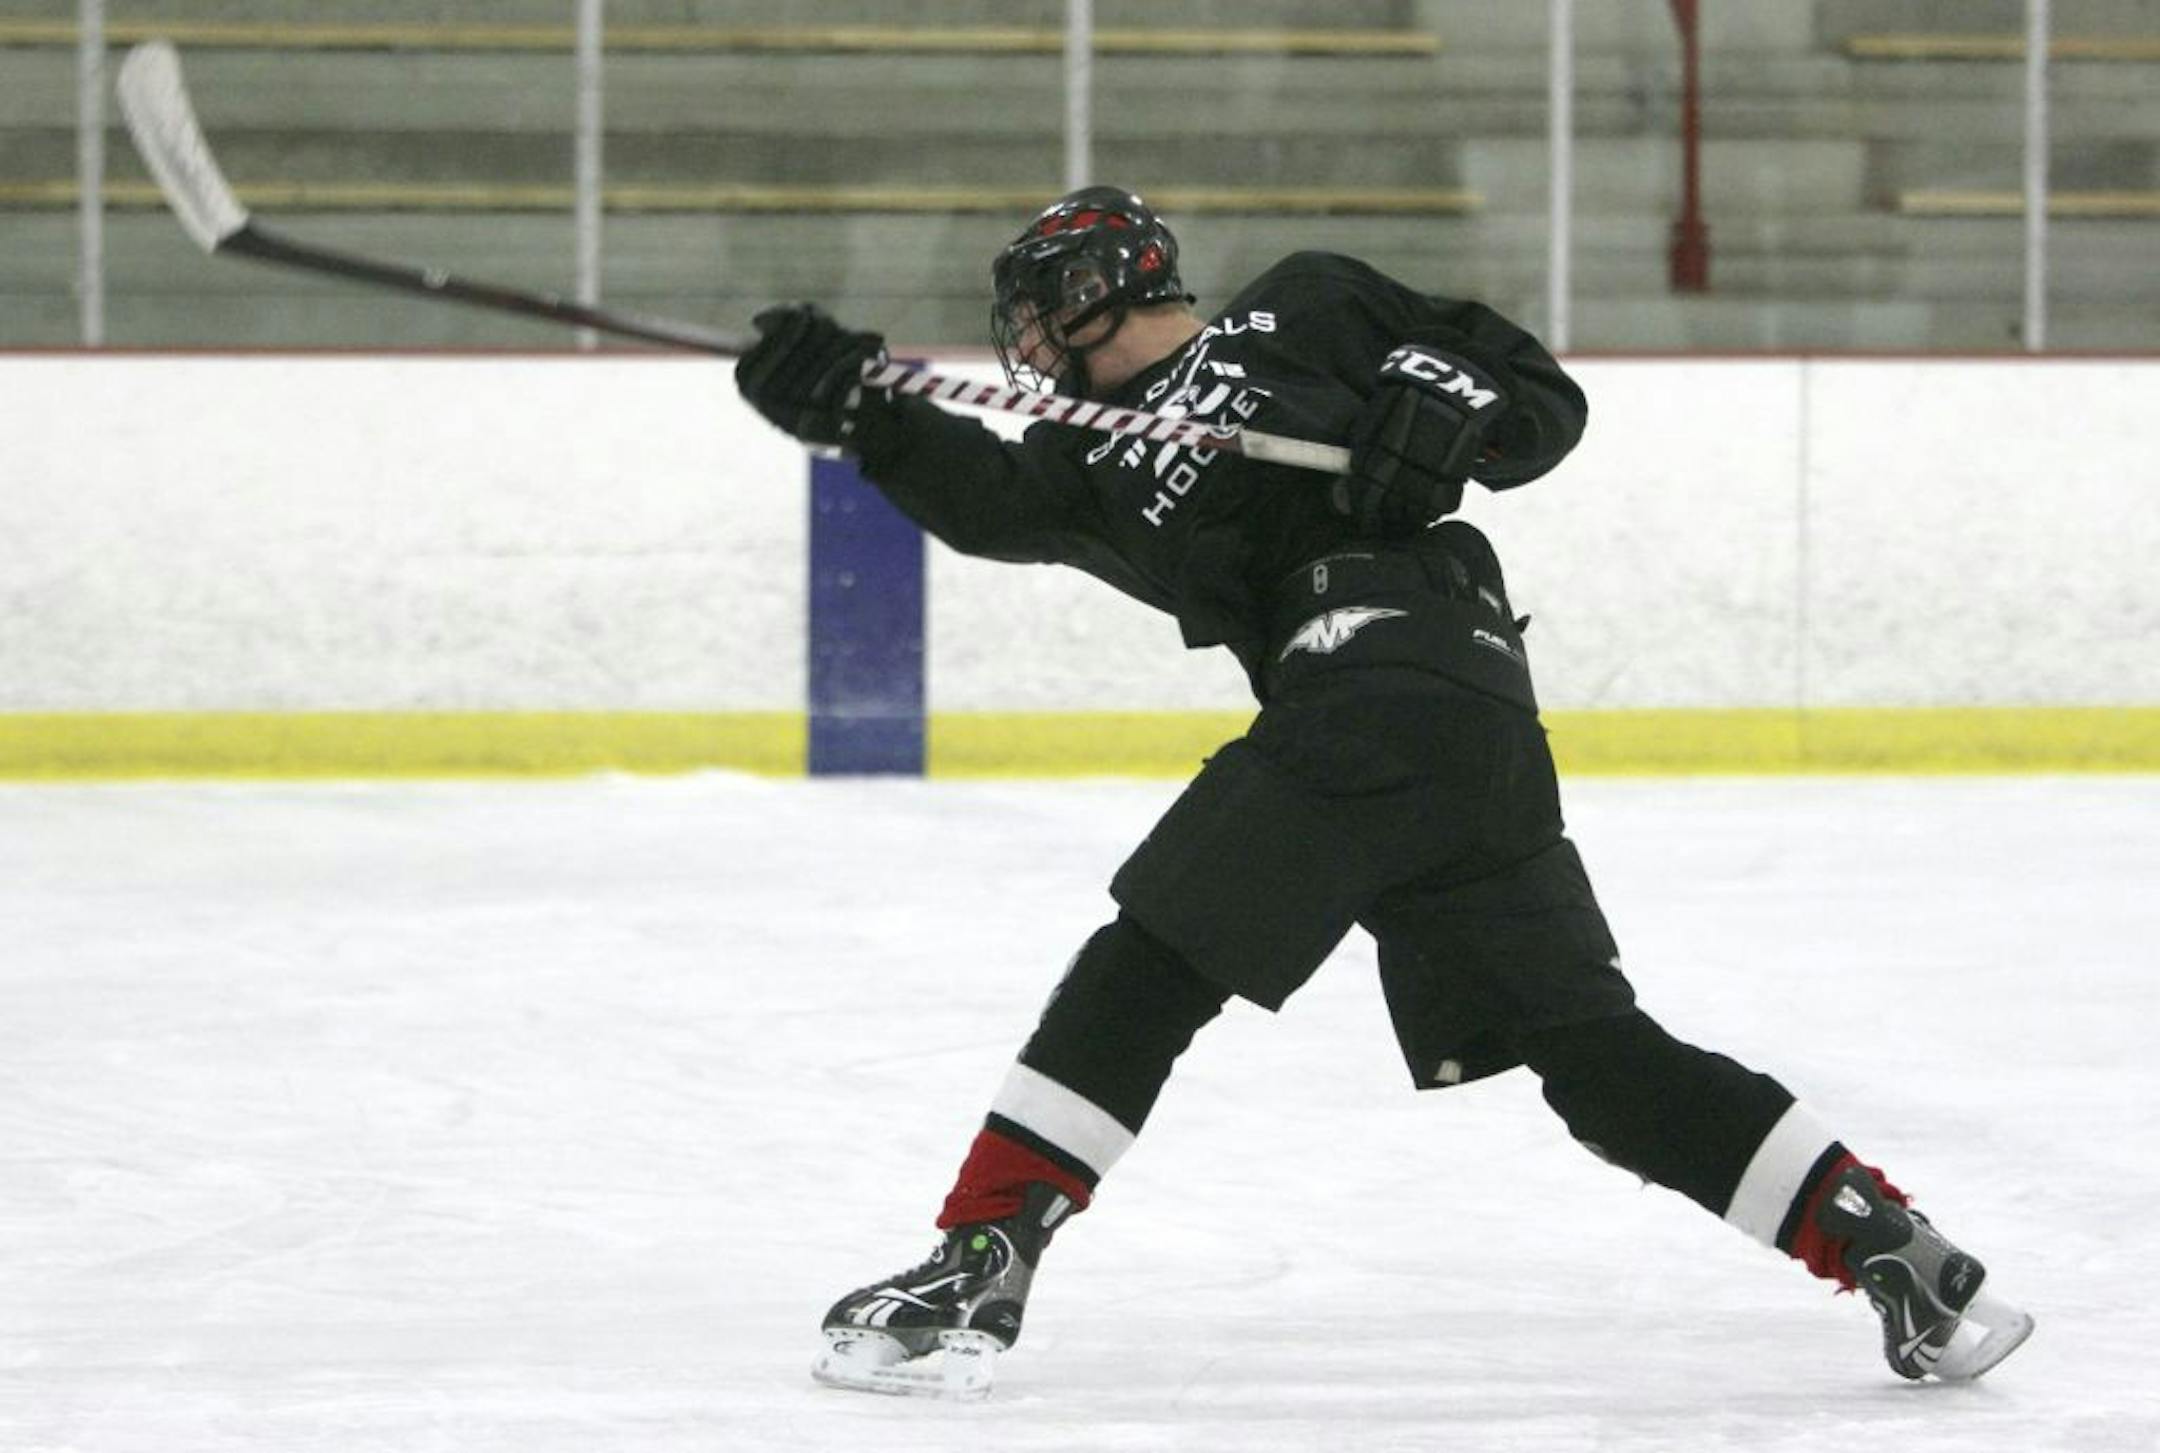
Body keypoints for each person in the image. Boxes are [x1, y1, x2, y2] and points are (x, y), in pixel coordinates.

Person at [733, 185, 2032, 1401]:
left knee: (1149, 964)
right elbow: (987, 495)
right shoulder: (1093, 460)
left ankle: (976, 1267)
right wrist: (863, 405)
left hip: (1391, 683)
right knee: (1599, 1065)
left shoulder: (1307, 304)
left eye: (1033, 320)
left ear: (1091, 296)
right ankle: (1893, 1247)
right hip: (1447, 728)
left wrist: (1450, 397)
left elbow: (1539, 401)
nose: (1029, 352)